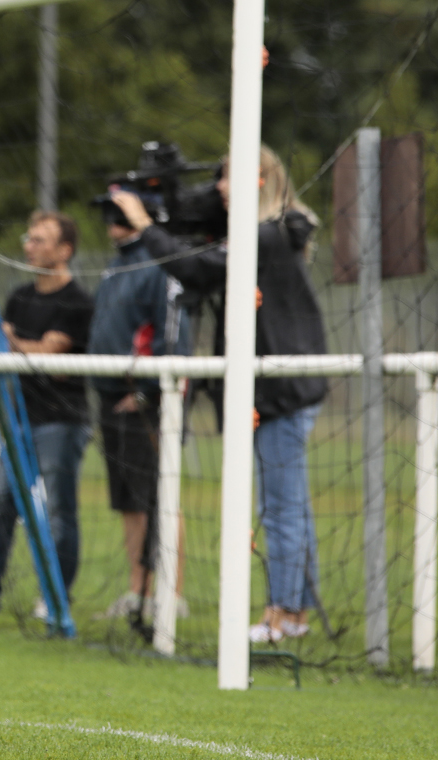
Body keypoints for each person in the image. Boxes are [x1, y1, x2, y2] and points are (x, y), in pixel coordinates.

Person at [109, 143, 329, 643]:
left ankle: (284, 614)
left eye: (228, 178)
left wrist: (145, 225)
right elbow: (198, 238)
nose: (219, 189)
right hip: (276, 387)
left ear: (260, 180)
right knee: (288, 502)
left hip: (280, 389)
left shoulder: (266, 236)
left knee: (281, 505)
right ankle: (293, 611)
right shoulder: (265, 233)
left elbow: (199, 269)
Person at [0, 211, 94, 615]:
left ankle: (55, 600)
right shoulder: (20, 296)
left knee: (57, 510)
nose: (29, 246)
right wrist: (17, 342)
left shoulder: (76, 301)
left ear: (64, 250)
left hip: (61, 421)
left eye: (40, 239)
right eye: (28, 237)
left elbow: (46, 355)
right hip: (17, 419)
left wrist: (16, 340)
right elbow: (3, 344)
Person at [88, 194, 191, 623]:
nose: (112, 221)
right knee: (129, 501)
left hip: (147, 402)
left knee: (161, 497)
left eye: (122, 213)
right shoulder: (118, 265)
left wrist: (149, 392)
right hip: (114, 400)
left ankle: (172, 593)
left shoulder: (159, 263)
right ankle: (137, 590)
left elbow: (173, 335)